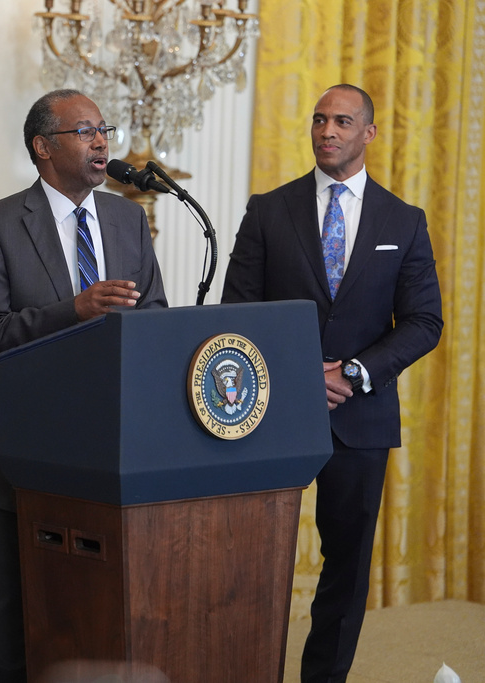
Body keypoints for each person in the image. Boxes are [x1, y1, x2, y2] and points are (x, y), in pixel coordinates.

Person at [222, 84, 443, 682]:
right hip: (268, 414)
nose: (328, 131)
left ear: (368, 133)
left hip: (361, 417)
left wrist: (351, 372)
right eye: (320, 119)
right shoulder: (269, 209)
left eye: (343, 121)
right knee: (252, 565)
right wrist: (298, 379)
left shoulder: (405, 221)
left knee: (345, 568)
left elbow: (425, 322)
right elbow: (237, 314)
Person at [0, 89, 167, 683]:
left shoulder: (129, 218)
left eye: (104, 129)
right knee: (20, 599)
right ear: (43, 147)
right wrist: (71, 310)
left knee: (94, 596)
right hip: (22, 445)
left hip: (111, 446)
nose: (102, 142)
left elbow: (153, 312)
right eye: (85, 131)